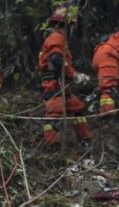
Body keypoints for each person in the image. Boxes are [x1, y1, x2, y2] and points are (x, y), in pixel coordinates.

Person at [38, 6, 92, 147]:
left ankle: (84, 140)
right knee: (54, 115)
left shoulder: (59, 39)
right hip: (53, 84)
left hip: (63, 86)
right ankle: (52, 147)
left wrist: (78, 75)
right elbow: (56, 59)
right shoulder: (56, 38)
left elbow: (62, 62)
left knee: (78, 107)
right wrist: (74, 75)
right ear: (68, 25)